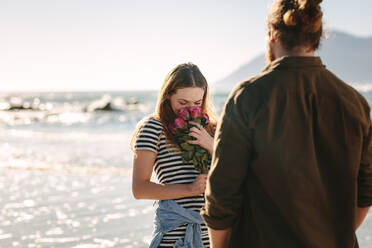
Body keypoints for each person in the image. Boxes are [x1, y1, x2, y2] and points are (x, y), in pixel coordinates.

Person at [201, 0, 372, 247]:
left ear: (271, 34)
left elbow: (220, 197)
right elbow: (365, 194)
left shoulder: (247, 97)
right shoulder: (354, 102)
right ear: (317, 36)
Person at [131, 63, 216, 247]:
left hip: (214, 236)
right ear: (168, 95)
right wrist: (189, 189)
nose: (189, 109)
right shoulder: (154, 127)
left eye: (197, 103)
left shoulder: (213, 128)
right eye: (182, 103)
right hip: (175, 238)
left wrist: (212, 146)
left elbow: (238, 179)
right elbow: (139, 189)